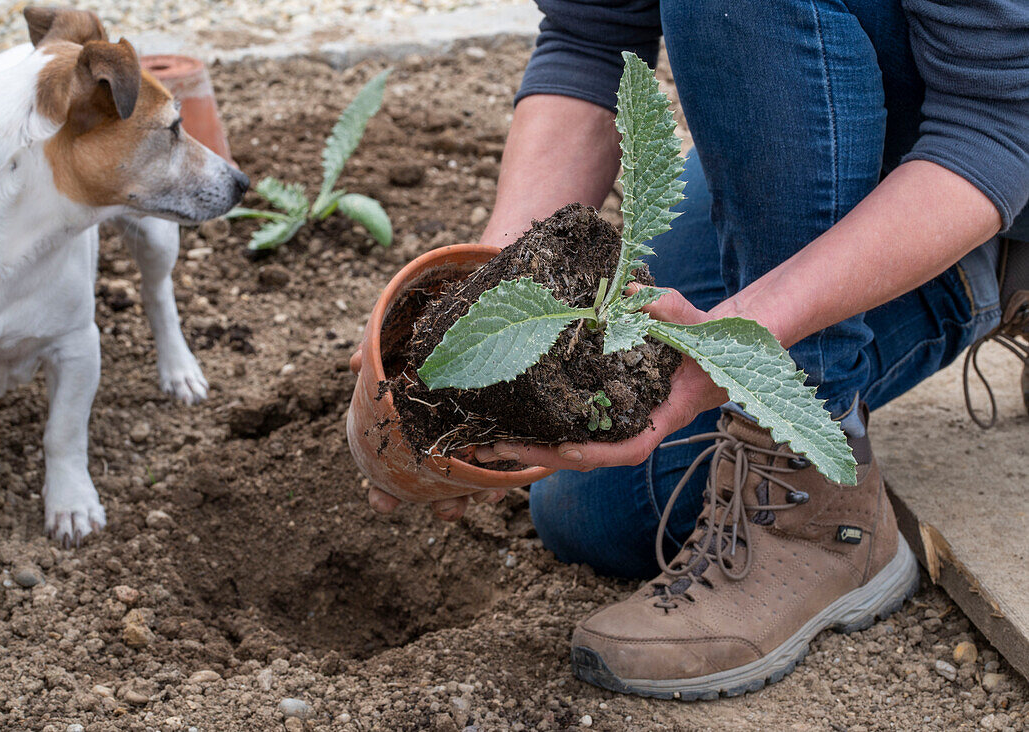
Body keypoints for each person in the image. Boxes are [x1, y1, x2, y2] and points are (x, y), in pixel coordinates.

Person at [368, 0, 1029, 699]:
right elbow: (590, 34)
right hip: (837, 108)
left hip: (990, 140)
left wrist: (730, 345)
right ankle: (815, 175)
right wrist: (475, 304)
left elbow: (1000, 120)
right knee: (597, 509)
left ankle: (816, 497)